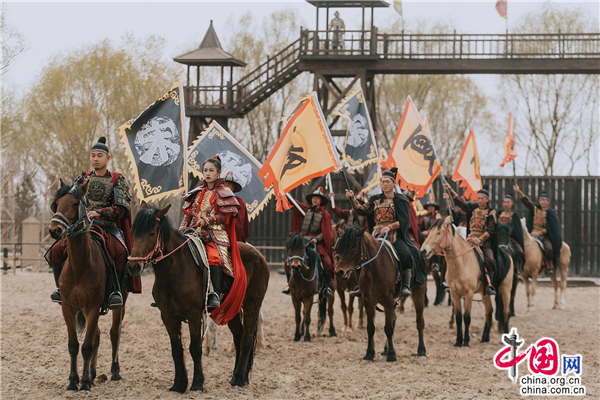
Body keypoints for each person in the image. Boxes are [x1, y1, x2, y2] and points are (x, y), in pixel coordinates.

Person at [48, 137, 140, 309]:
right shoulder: (81, 179)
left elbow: (121, 209)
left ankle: (115, 291)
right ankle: (60, 289)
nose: (95, 159)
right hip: (82, 227)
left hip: (108, 227)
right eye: (93, 155)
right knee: (55, 250)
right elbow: (70, 201)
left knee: (121, 252)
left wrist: (99, 212)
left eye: (99, 155)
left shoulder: (117, 179)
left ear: (108, 158)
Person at [345, 168, 419, 299]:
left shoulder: (401, 200)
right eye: (382, 181)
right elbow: (362, 210)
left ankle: (405, 285)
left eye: (387, 181)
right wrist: (352, 199)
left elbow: (404, 220)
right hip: (375, 235)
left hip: (394, 235)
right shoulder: (374, 199)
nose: (384, 184)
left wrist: (389, 227)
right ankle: (360, 286)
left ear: (394, 183)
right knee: (359, 254)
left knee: (406, 254)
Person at [180, 155, 242, 310]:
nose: (207, 173)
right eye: (205, 170)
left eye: (211, 170)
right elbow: (188, 213)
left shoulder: (224, 192)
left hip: (215, 233)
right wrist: (182, 227)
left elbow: (226, 217)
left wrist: (207, 220)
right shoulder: (196, 192)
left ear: (218, 173)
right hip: (193, 232)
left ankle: (214, 293)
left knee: (214, 257)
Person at [444, 183, 497, 296]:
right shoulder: (472, 208)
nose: (480, 200)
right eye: (478, 198)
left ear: (487, 199)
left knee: (490, 260)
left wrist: (480, 239)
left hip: (484, 242)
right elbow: (460, 202)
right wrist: (451, 190)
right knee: (454, 255)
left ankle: (488, 285)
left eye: (482, 198)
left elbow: (491, 230)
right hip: (469, 240)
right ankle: (451, 282)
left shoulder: (491, 212)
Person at [282, 187, 335, 298]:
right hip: (302, 241)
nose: (315, 200)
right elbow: (295, 204)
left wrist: (317, 239)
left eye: (317, 198)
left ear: (321, 201)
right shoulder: (305, 209)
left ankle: (325, 288)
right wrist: (286, 194)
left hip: (317, 243)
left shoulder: (325, 214)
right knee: (288, 263)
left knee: (328, 264)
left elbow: (326, 232)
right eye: (313, 198)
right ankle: (290, 285)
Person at [514, 185, 562, 277]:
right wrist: (519, 192)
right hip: (532, 234)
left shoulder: (550, 213)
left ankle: (548, 267)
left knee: (549, 249)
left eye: (544, 200)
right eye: (541, 200)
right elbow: (527, 202)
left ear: (548, 201)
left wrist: (539, 233)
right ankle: (520, 267)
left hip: (544, 235)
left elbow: (551, 228)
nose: (542, 202)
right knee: (520, 246)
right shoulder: (535, 208)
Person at [497, 194, 525, 270]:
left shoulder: (514, 215)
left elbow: (516, 228)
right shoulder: (499, 213)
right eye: (504, 202)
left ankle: (517, 268)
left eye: (508, 202)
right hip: (499, 237)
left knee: (520, 251)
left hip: (510, 237)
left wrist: (508, 233)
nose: (506, 204)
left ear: (512, 203)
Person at [224, 171, 250, 243]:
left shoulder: (240, 202)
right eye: (224, 185)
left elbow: (244, 225)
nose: (226, 187)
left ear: (233, 187)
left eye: (228, 185)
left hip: (236, 239)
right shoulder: (217, 200)